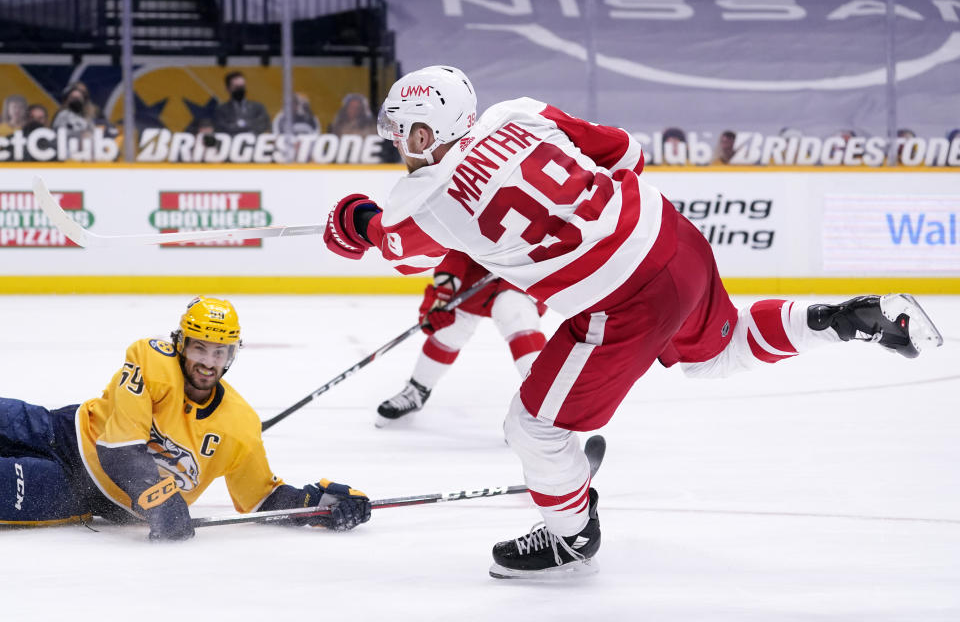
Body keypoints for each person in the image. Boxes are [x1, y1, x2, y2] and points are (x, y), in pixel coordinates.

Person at [321, 65, 944, 578]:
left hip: (621, 302)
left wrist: (351, 219)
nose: (402, 146)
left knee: (532, 427)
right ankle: (840, 319)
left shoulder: (427, 197)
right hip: (670, 238)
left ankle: (569, 535)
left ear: (432, 133)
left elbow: (391, 246)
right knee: (720, 352)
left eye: (409, 134)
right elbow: (626, 153)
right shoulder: (518, 112)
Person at [0, 296, 371, 540]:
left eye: (220, 352)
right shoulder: (152, 360)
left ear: (231, 355)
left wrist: (316, 504)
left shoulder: (240, 425)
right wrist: (161, 498)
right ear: (181, 344)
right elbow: (119, 448)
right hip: (60, 430)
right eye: (199, 347)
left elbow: (261, 497)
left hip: (82, 491)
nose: (208, 362)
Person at [377, 250, 547, 425]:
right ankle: (417, 390)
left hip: (525, 270)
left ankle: (545, 402)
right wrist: (443, 294)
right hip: (479, 269)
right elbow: (455, 245)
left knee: (516, 315)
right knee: (451, 327)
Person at [214, 71, 271, 135]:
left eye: (242, 87)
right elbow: (220, 128)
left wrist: (237, 126)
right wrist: (248, 126)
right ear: (228, 89)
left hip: (255, 143)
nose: (240, 90)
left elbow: (263, 125)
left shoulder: (258, 107)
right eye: (236, 87)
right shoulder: (221, 110)